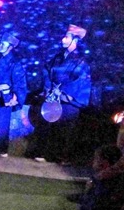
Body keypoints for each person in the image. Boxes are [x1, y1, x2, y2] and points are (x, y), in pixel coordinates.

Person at [31, 25, 91, 164]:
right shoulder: (57, 58)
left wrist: (63, 92)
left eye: (66, 37)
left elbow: (81, 80)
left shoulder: (81, 62)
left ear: (75, 40)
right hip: (53, 95)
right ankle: (42, 152)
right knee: (47, 124)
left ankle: (61, 156)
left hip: (68, 99)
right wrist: (49, 88)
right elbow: (46, 71)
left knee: (64, 128)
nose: (63, 39)